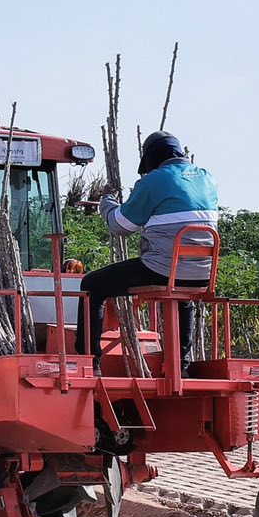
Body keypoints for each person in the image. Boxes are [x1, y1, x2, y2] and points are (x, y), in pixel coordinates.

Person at [78, 131, 219, 364]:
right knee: (182, 293)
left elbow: (121, 225)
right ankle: (181, 364)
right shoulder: (207, 178)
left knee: (92, 285)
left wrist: (108, 202)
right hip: (203, 274)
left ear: (152, 158)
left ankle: (88, 360)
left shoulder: (155, 180)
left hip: (163, 270)